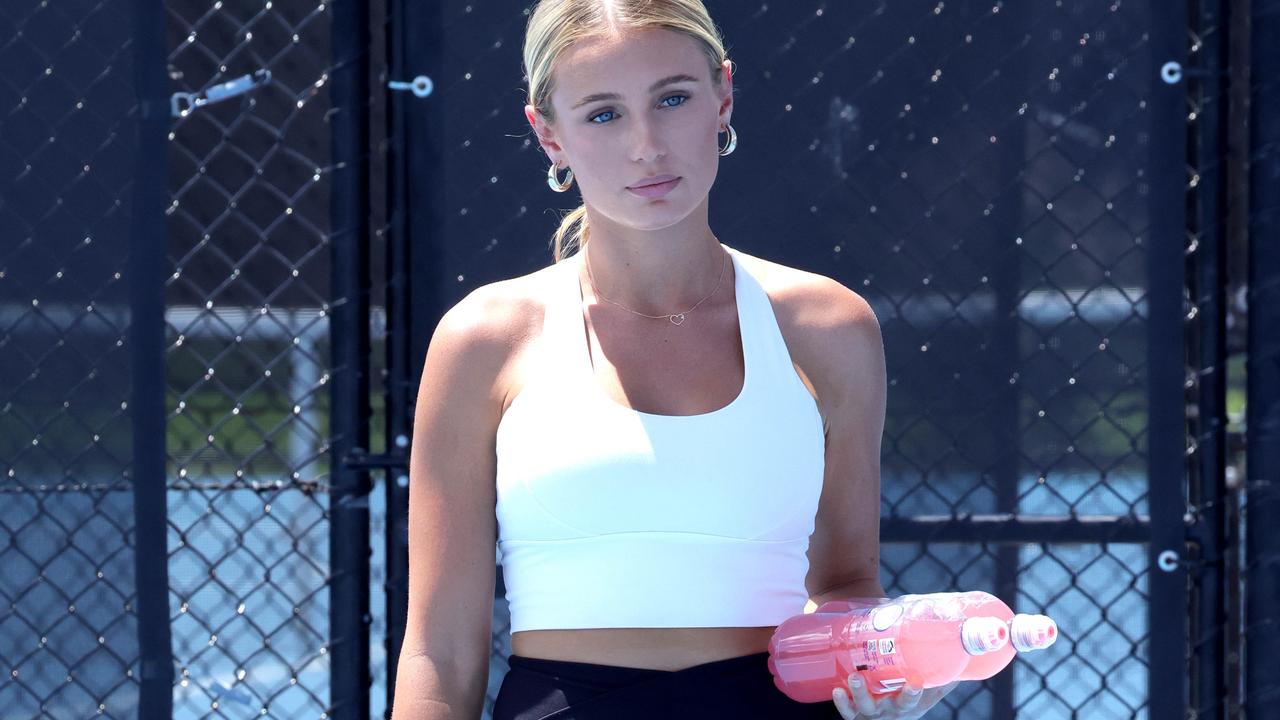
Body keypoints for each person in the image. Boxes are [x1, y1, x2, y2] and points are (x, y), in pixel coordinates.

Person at [391, 1, 960, 718]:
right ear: (549, 136)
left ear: (722, 96)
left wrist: (887, 662)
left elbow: (846, 582)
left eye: (672, 98)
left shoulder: (828, 327)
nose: (647, 145)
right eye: (603, 114)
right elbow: (439, 651)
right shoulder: (484, 339)